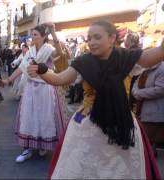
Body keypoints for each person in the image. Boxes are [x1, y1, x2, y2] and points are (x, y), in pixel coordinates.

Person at [27, 20, 163, 179]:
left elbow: (160, 52)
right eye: (89, 38)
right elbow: (59, 79)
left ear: (112, 38)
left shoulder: (127, 58)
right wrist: (42, 70)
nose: (91, 42)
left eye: (97, 37)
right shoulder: (83, 62)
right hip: (88, 125)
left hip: (121, 125)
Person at [0, 24, 66, 163]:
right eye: (32, 34)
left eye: (35, 34)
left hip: (45, 88)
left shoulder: (48, 49)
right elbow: (22, 68)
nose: (32, 37)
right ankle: (28, 149)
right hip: (30, 88)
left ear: (43, 37)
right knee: (29, 116)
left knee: (44, 117)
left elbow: (59, 53)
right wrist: (8, 80)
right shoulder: (30, 52)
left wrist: (53, 32)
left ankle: (43, 145)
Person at [132, 62, 164, 157]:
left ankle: (151, 154)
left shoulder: (161, 69)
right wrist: (135, 92)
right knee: (145, 133)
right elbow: (135, 84)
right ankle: (148, 153)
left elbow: (161, 89)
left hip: (155, 108)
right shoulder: (145, 70)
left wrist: (139, 93)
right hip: (143, 107)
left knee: (151, 133)